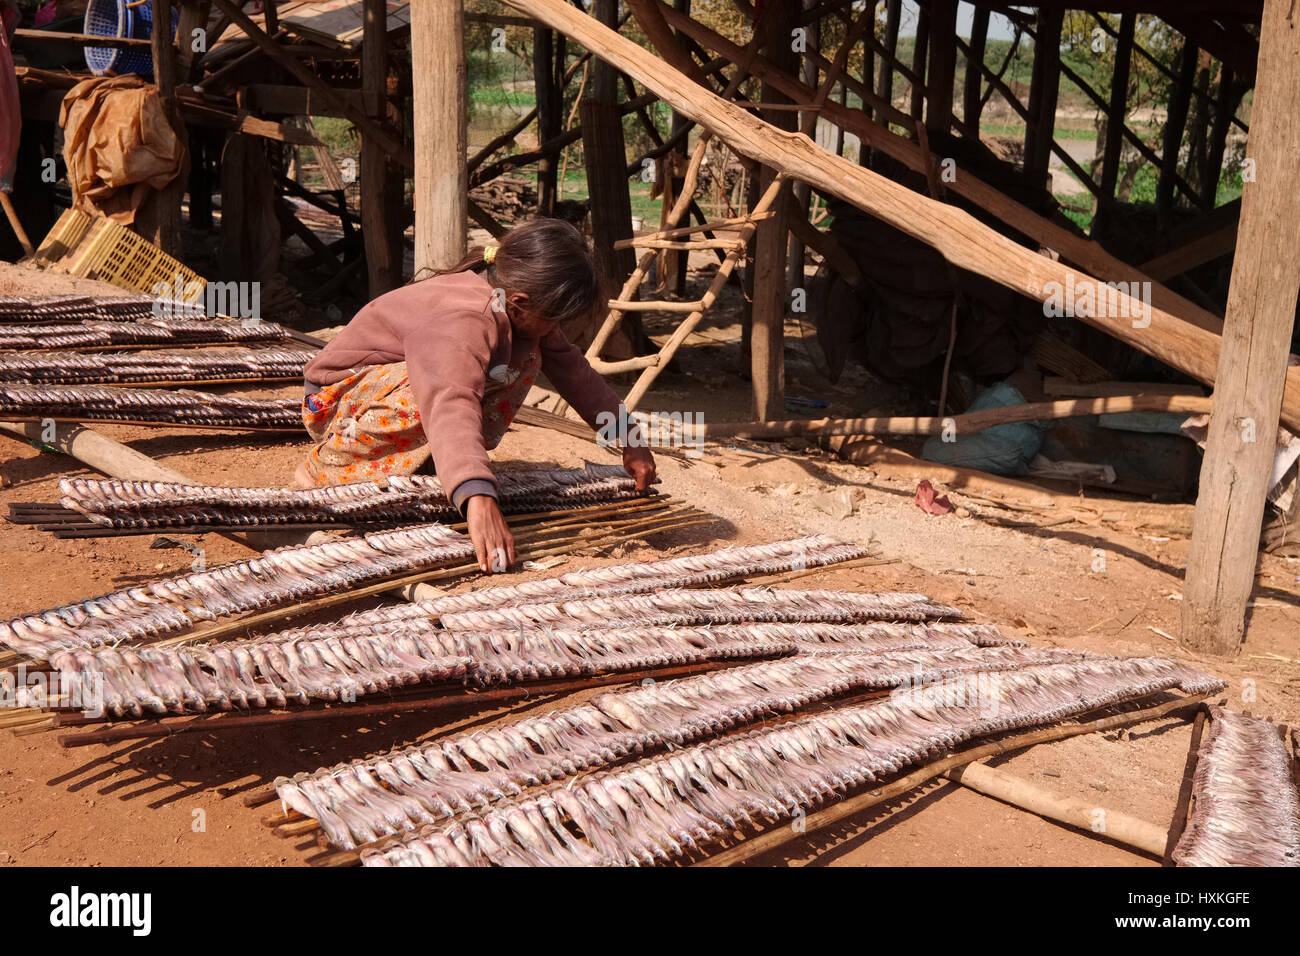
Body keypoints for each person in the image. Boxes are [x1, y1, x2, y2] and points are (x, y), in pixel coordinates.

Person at [296, 219, 657, 573]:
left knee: (524, 358)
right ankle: (331, 466)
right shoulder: (468, 318)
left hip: (390, 390)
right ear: (520, 301)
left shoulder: (516, 307)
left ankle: (437, 464)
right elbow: (450, 401)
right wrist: (478, 498)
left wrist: (629, 437)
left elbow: (575, 373)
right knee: (436, 391)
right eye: (553, 319)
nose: (555, 329)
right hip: (335, 404)